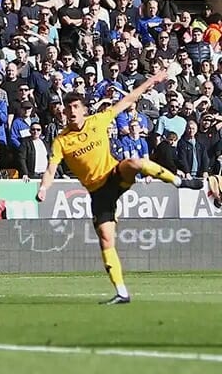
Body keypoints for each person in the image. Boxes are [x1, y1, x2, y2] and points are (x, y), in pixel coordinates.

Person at [35, 70, 204, 305]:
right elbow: (51, 168)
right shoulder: (61, 140)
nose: (72, 111)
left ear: (84, 109)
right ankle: (122, 292)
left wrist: (153, 81)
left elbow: (128, 100)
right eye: (68, 108)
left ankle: (179, 181)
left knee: (134, 162)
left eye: (76, 106)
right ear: (64, 112)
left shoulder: (98, 121)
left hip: (114, 175)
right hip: (97, 192)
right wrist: (44, 188)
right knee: (106, 239)